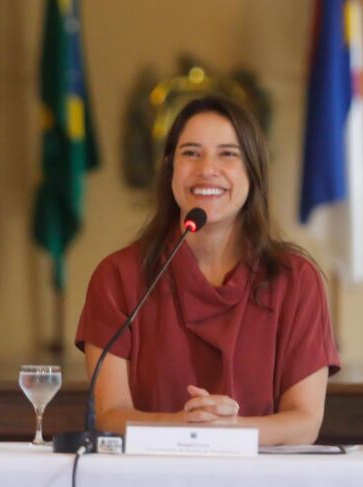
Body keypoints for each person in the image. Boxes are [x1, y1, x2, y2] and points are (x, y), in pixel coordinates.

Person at [75, 95, 340, 446]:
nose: (207, 169)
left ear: (254, 170)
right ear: (170, 169)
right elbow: (109, 415)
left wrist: (231, 430)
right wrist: (185, 426)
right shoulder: (118, 277)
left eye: (228, 153)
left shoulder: (296, 280)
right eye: (191, 153)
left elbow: (305, 422)